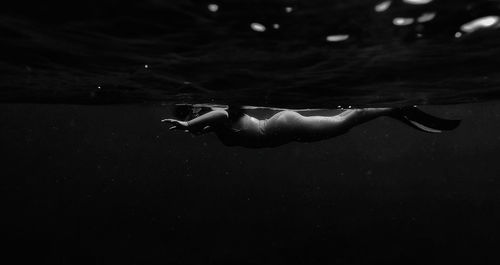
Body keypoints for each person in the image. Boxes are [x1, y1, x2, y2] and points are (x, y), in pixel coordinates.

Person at [162, 105, 460, 148]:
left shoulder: (218, 116)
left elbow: (220, 114)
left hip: (281, 127)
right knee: (342, 124)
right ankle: (390, 109)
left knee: (343, 123)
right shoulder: (211, 125)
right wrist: (193, 127)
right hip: (285, 130)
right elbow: (214, 122)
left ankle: (391, 108)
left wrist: (188, 124)